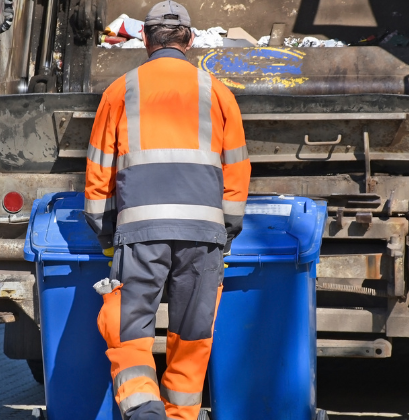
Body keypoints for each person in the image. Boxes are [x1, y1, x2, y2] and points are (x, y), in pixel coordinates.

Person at [84, 1, 251, 418]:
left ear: (144, 39)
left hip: (139, 234)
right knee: (191, 338)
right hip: (205, 235)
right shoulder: (219, 93)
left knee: (128, 334)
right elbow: (237, 169)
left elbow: (99, 171)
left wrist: (106, 232)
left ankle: (143, 413)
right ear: (189, 41)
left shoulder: (119, 91)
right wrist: (227, 230)